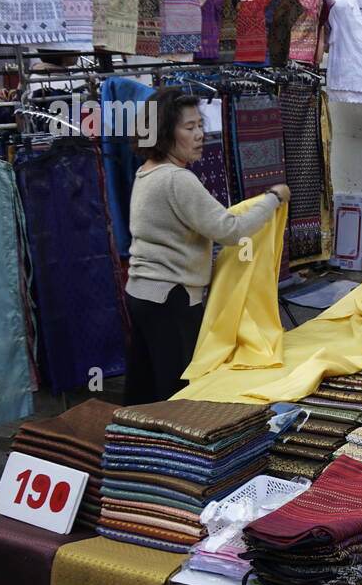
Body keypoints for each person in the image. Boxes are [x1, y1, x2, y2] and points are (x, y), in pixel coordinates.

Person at [123, 87, 288, 404]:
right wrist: (273, 199)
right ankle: (175, 450)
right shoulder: (177, 180)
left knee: (144, 388)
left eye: (201, 125)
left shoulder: (146, 172)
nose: (200, 134)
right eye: (189, 127)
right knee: (181, 392)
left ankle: (134, 447)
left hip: (142, 294)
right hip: (169, 299)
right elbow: (232, 231)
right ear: (164, 133)